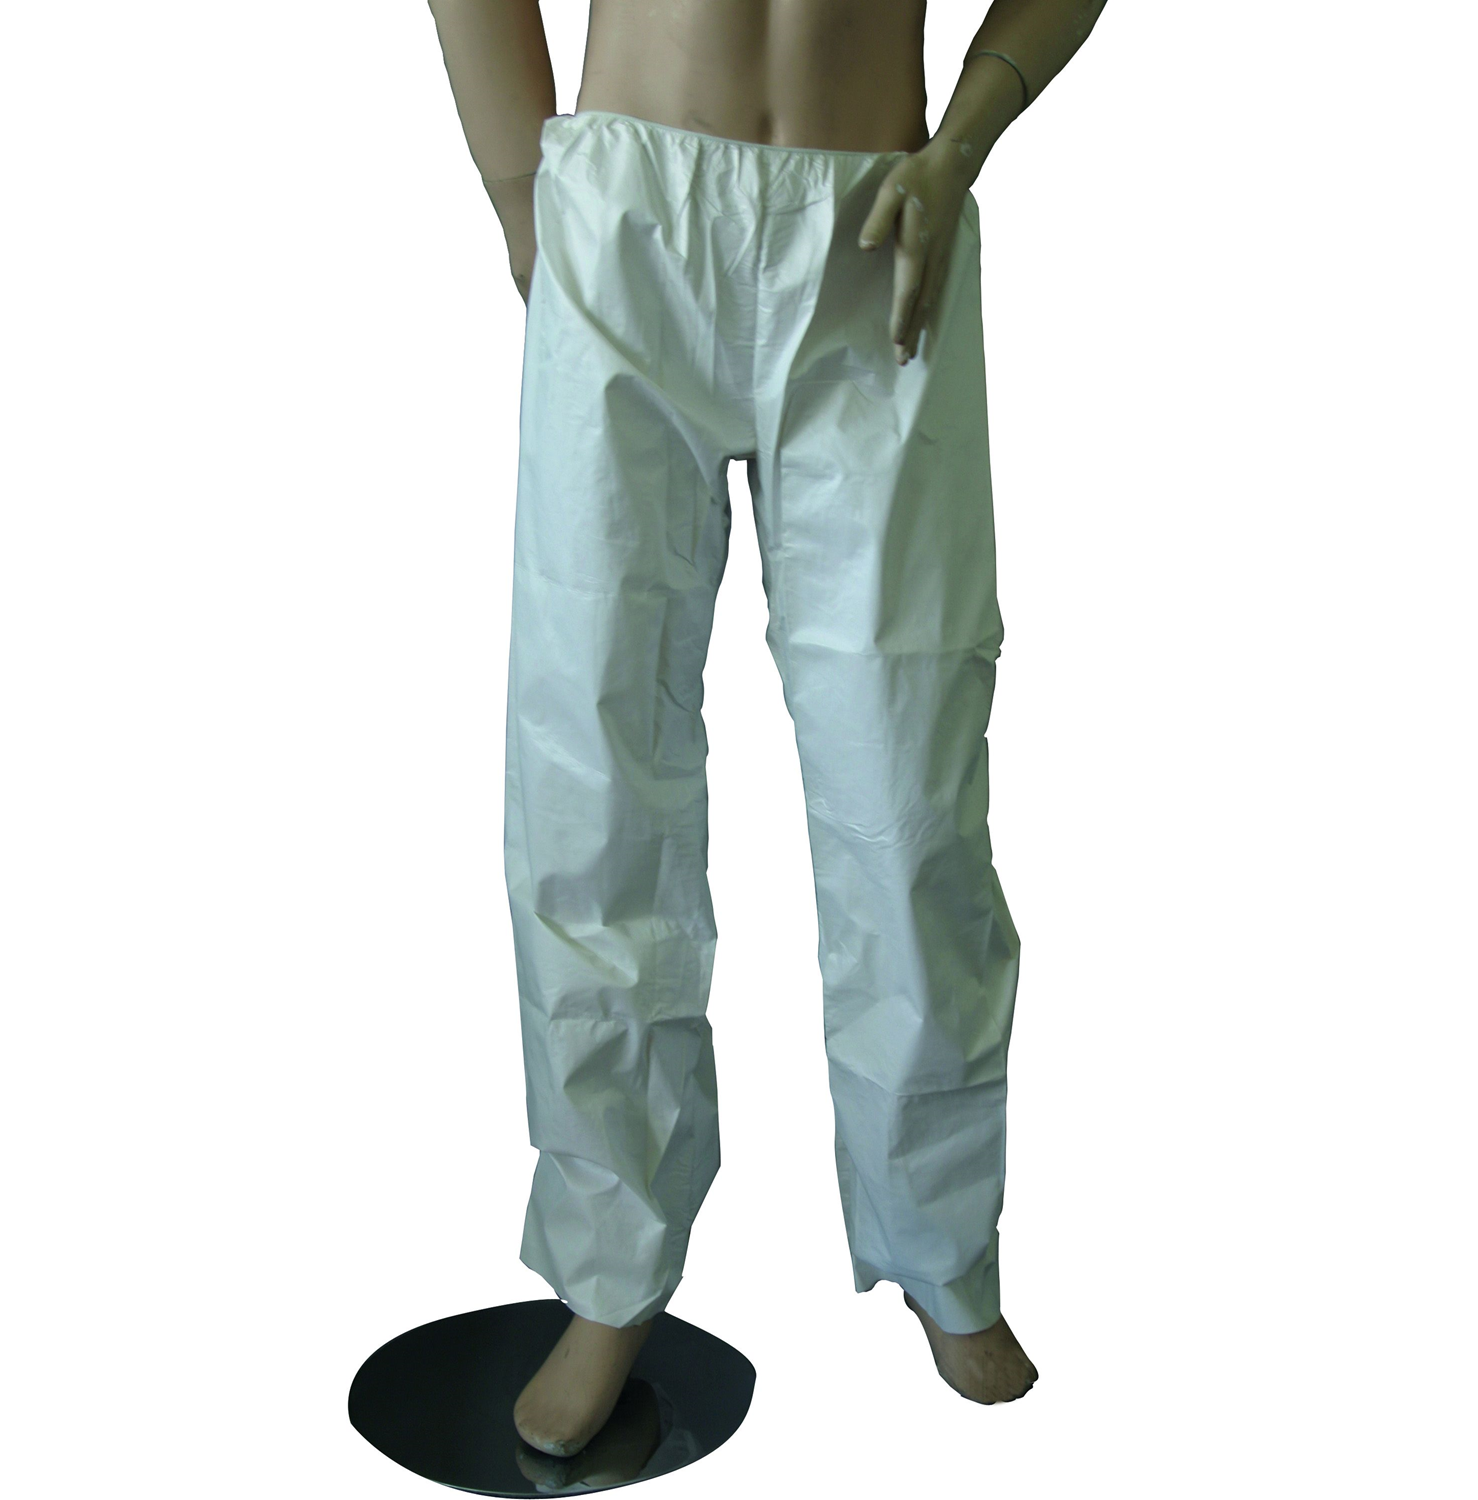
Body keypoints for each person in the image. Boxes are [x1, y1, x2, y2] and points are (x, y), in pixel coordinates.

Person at [425, 0, 1107, 1456]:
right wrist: (521, 193)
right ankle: (610, 1268)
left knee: (908, 783)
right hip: (630, 206)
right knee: (589, 776)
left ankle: (942, 1242)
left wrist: (967, 142)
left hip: (884, 219)